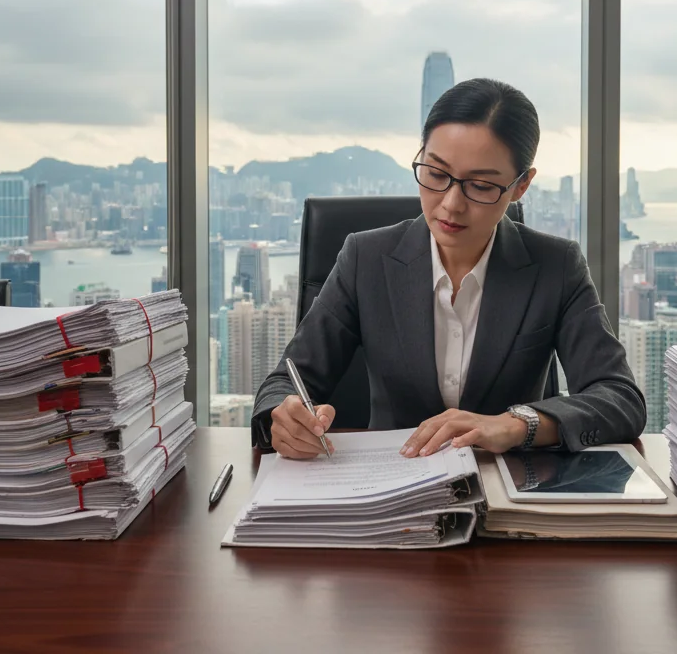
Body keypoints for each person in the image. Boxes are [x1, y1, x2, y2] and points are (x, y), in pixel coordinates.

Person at [252, 78, 646, 459]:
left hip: (509, 486)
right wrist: (283, 417)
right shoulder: (365, 258)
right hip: (392, 486)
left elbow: (620, 398)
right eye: (437, 174)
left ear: (521, 186)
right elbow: (286, 381)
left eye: (481, 186)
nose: (451, 205)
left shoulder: (556, 266)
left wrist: (517, 424)